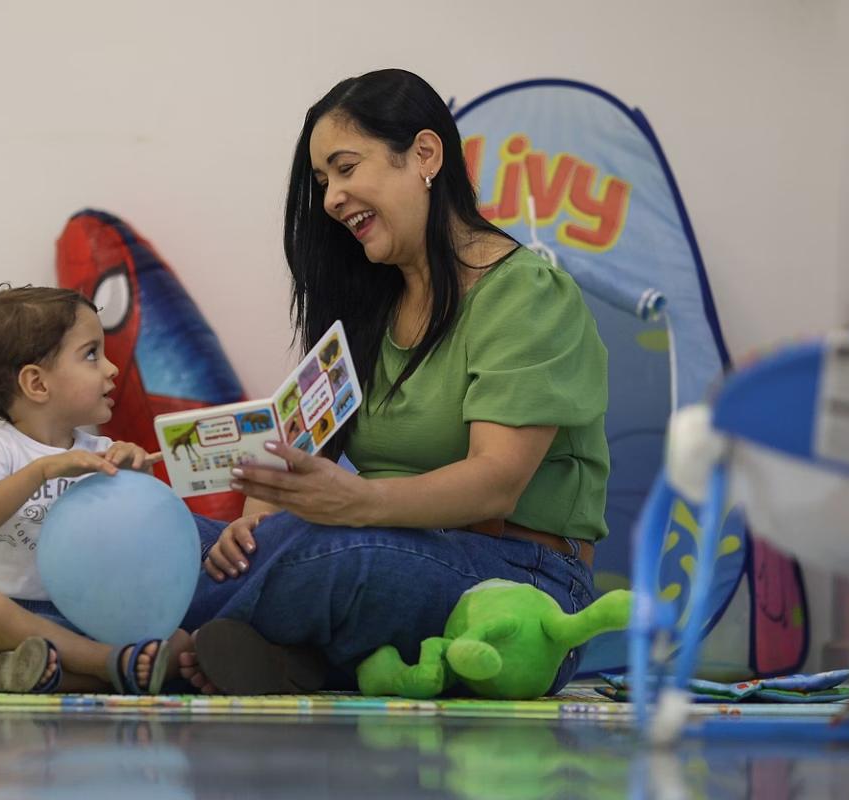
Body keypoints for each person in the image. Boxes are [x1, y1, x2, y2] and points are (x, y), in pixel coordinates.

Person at [177, 68, 609, 695]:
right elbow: (295, 453)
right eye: (323, 182)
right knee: (172, 532)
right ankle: (294, 651)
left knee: (342, 555)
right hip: (373, 542)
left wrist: (358, 505)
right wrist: (253, 525)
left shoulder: (526, 294)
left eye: (346, 169)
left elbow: (496, 485)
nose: (329, 198)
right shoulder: (366, 308)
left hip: (518, 583)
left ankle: (117, 649)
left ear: (425, 156)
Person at [0, 285, 189, 694]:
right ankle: (107, 667)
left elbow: (138, 538)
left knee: (181, 641)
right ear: (37, 384)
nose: (112, 368)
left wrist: (136, 478)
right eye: (92, 354)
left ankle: (59, 676)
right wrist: (41, 471)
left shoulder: (99, 451)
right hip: (13, 618)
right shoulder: (0, 444)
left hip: (84, 618)